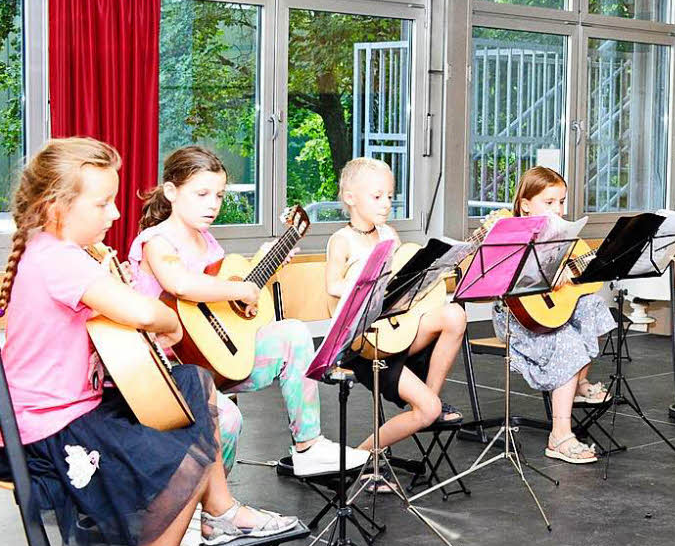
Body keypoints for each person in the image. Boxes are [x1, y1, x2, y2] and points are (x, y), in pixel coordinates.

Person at [0, 137, 296, 546]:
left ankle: (220, 507)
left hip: (74, 408)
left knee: (192, 385)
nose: (116, 213)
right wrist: (160, 319)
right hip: (48, 432)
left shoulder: (61, 253)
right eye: (102, 204)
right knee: (182, 457)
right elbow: (151, 315)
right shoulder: (59, 261)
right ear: (55, 207)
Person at [128, 146, 339, 479]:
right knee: (226, 417)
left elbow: (219, 307)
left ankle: (308, 445)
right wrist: (239, 290)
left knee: (294, 333)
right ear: (171, 192)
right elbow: (180, 284)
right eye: (202, 194)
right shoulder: (156, 241)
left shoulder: (210, 244)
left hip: (217, 361)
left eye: (219, 195)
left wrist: (253, 289)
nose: (213, 203)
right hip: (171, 367)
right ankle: (203, 509)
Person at [324, 158, 466, 486]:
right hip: (366, 344)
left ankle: (431, 399)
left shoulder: (389, 233)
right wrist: (370, 284)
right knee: (426, 411)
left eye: (390, 195)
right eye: (378, 196)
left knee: (455, 314)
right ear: (349, 197)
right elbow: (332, 287)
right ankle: (360, 458)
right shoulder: (342, 240)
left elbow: (403, 283)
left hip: (397, 331)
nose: (387, 203)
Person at [492, 166, 615, 465]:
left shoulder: (565, 233)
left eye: (561, 201)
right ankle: (559, 436)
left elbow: (592, 277)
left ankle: (578, 384)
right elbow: (498, 277)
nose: (558, 209)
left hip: (553, 309)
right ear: (525, 204)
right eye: (549, 202)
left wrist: (577, 272)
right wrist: (545, 275)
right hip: (518, 317)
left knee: (594, 307)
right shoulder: (509, 231)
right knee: (568, 340)